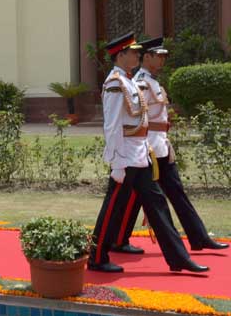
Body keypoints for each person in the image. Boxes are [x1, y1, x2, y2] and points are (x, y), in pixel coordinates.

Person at [88, 32, 208, 273]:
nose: (137, 55)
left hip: (139, 154)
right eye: (133, 52)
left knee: (158, 204)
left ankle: (178, 258)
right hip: (125, 156)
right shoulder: (114, 83)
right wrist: (116, 162)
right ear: (121, 55)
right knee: (113, 207)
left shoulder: (129, 80)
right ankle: (97, 256)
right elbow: (111, 126)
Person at [112, 37, 228, 253]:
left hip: (161, 147)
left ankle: (199, 237)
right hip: (148, 147)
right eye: (159, 56)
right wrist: (142, 146)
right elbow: (137, 118)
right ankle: (118, 240)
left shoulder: (152, 81)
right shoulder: (141, 83)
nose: (163, 60)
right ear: (147, 57)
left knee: (176, 193)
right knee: (134, 198)